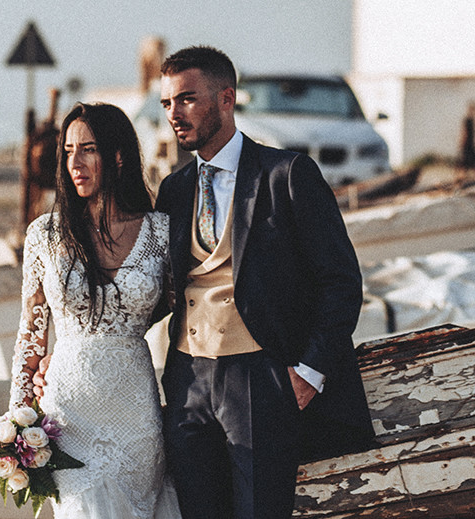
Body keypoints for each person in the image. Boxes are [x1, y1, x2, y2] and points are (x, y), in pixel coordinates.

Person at [156, 46, 374, 519]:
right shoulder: (173, 190)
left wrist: (309, 373)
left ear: (227, 98)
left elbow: (341, 283)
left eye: (187, 99)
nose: (175, 114)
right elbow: (156, 289)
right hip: (188, 380)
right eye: (167, 103)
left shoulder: (287, 175)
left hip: (258, 378)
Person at [9, 103, 181, 519]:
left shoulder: (161, 231)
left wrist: (111, 334)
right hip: (68, 415)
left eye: (88, 149)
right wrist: (16, 425)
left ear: (118, 156)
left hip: (135, 414)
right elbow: (31, 333)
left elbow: (174, 307)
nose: (75, 163)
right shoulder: (45, 235)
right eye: (68, 151)